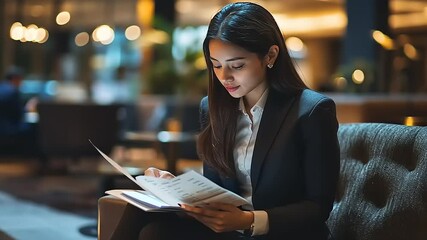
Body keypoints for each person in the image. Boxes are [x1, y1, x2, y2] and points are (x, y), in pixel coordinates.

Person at [110, 2, 340, 240]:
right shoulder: (212, 107)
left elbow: (317, 207)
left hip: (279, 233)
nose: (224, 77)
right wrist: (175, 189)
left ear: (270, 55)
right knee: (150, 223)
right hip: (229, 231)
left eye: (237, 65)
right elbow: (216, 191)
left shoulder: (312, 111)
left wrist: (250, 220)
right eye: (216, 65)